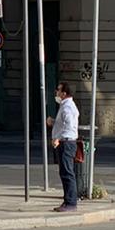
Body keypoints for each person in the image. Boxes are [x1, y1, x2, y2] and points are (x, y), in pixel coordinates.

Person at [46, 80, 79, 211]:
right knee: (64, 172)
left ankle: (71, 203)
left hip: (66, 143)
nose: (56, 92)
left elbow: (69, 126)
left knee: (67, 173)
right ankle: (67, 201)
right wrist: (53, 122)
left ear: (64, 93)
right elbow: (64, 123)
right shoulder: (65, 106)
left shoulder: (67, 107)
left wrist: (58, 139)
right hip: (65, 142)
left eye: (58, 90)